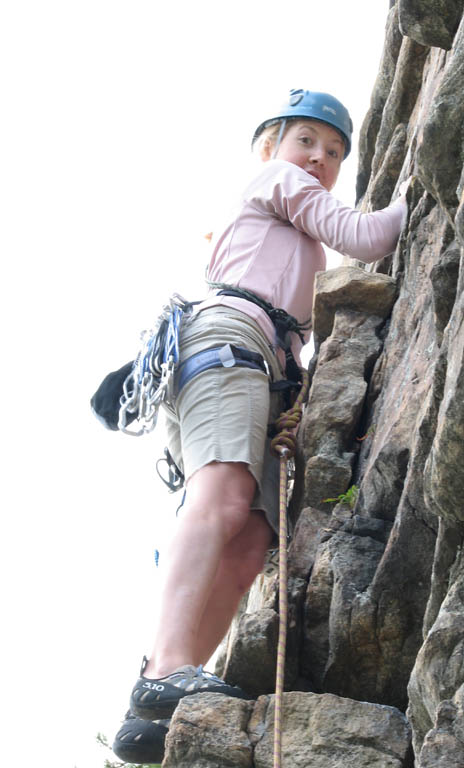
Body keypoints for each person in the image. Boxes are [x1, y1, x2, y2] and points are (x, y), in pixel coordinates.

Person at [113, 87, 408, 761]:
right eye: (306, 141)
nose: (319, 159)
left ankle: (157, 707)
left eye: (334, 153)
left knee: (249, 544)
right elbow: (369, 236)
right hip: (229, 345)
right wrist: (417, 186)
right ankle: (166, 670)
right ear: (272, 148)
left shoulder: (293, 238)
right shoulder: (275, 181)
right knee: (220, 503)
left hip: (261, 372)